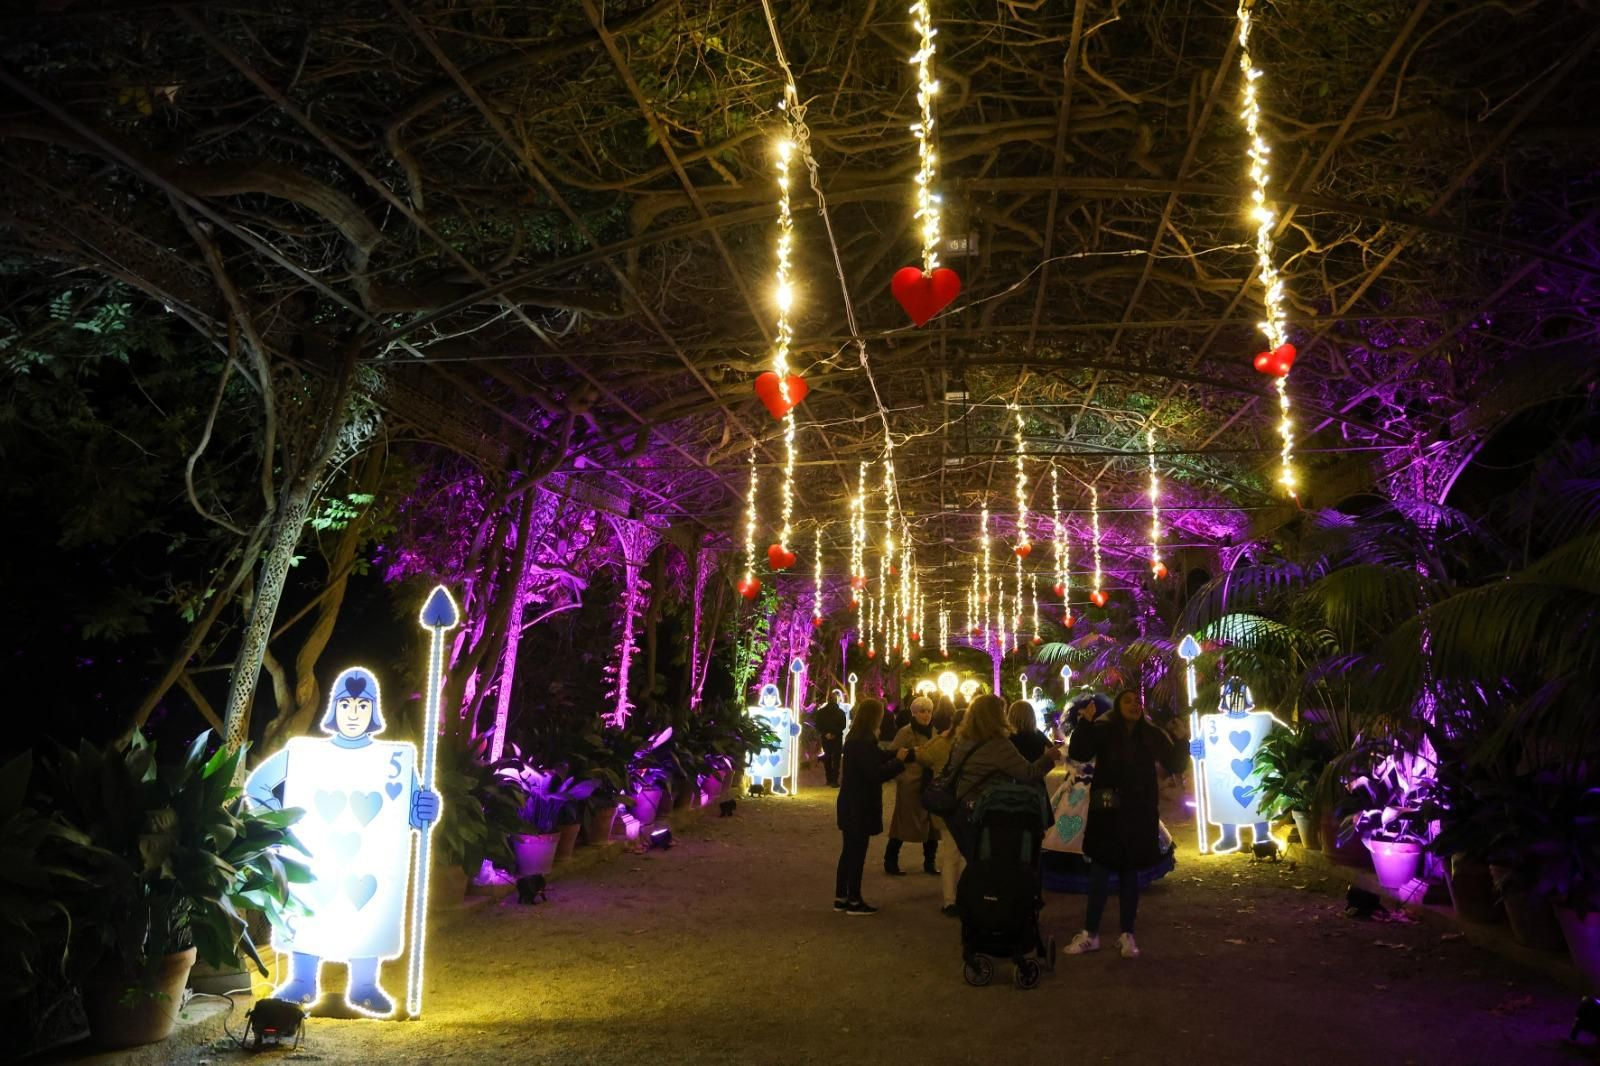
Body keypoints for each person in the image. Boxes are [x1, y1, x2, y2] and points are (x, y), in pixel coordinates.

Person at [1063, 689, 1188, 959]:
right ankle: (1090, 934)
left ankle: (1127, 934)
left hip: (1138, 813)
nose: (1133, 705)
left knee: (1129, 873)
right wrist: (1085, 722)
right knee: (1099, 871)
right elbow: (1079, 752)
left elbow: (1175, 763)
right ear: (1118, 705)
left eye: (1137, 702)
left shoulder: (1150, 734)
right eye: (1127, 701)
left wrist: (1182, 739)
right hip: (1107, 812)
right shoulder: (1105, 730)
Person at [945, 694, 1063, 859]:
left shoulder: (962, 741)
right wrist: (1048, 758)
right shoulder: (998, 745)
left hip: (961, 808)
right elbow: (1028, 773)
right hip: (985, 811)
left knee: (972, 859)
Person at [835, 698, 913, 915]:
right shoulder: (863, 742)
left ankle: (841, 896)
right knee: (857, 852)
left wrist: (894, 753)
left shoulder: (855, 739)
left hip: (850, 802)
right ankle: (854, 899)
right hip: (859, 805)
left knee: (848, 851)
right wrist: (898, 763)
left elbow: (876, 757)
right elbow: (875, 774)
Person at [912, 705, 962, 915]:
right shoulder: (976, 743)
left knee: (950, 854)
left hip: (947, 803)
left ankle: (950, 900)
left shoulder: (942, 742)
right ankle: (965, 895)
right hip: (967, 803)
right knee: (967, 854)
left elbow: (922, 756)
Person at [884, 696, 939, 876]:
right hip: (910, 783)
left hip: (929, 783)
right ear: (914, 713)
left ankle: (929, 862)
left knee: (931, 825)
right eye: (922, 711)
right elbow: (894, 753)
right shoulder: (905, 732)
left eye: (929, 711)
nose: (926, 715)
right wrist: (913, 755)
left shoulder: (934, 731)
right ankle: (890, 861)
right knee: (903, 823)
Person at [815, 690, 848, 788]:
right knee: (836, 759)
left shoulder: (821, 712)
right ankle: (835, 780)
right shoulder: (840, 712)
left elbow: (818, 725)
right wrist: (835, 733)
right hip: (837, 737)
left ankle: (829, 778)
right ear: (836, 700)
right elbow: (843, 725)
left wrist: (826, 733)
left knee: (827, 757)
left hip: (825, 737)